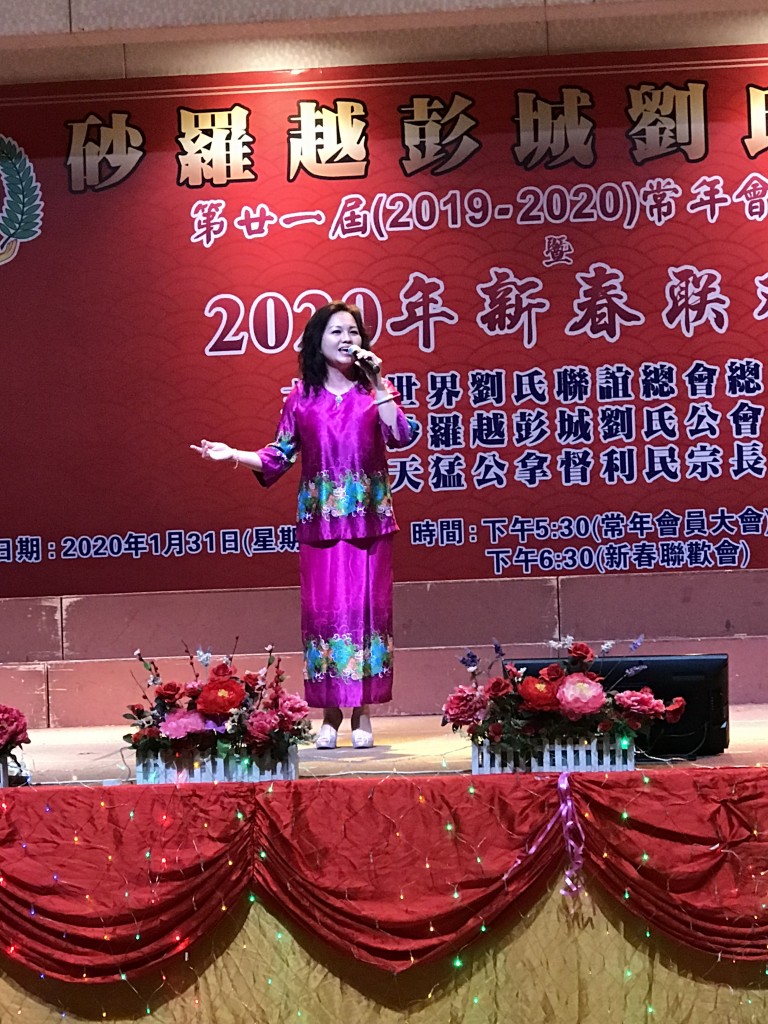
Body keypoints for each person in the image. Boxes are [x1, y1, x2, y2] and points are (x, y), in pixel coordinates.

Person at [191, 301, 414, 749]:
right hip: (321, 524)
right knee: (325, 616)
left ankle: (363, 714)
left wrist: (379, 382)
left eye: (353, 331)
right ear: (317, 341)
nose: (347, 339)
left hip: (369, 520)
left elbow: (401, 435)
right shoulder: (301, 397)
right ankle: (330, 714)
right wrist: (234, 454)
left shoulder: (374, 390)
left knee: (368, 614)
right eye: (336, 331)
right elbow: (278, 455)